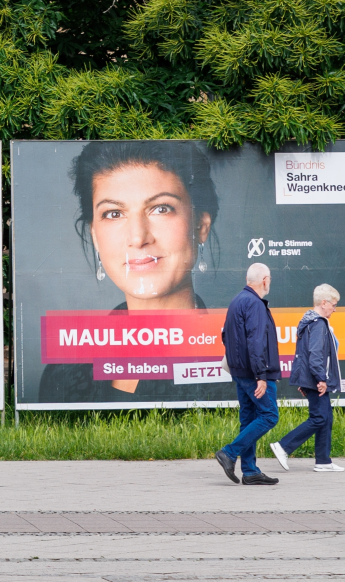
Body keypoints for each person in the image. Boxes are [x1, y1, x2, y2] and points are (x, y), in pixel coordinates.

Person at [37, 140, 225, 402]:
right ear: (94, 234)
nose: (138, 238)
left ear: (200, 226)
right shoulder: (64, 373)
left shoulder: (243, 361)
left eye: (161, 208)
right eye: (114, 213)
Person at [216, 262, 281, 485]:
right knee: (270, 415)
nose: (270, 282)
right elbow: (256, 342)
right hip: (254, 373)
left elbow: (225, 336)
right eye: (269, 278)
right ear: (264, 280)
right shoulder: (254, 303)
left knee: (249, 419)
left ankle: (251, 471)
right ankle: (229, 452)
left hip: (241, 372)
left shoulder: (237, 301)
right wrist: (261, 375)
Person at [271, 284, 345, 472]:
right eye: (333, 305)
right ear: (323, 303)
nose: (335, 309)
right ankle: (283, 446)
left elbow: (302, 354)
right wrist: (321, 379)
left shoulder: (308, 321)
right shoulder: (318, 323)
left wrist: (304, 378)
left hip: (311, 377)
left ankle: (323, 461)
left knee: (326, 417)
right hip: (317, 378)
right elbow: (315, 355)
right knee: (319, 417)